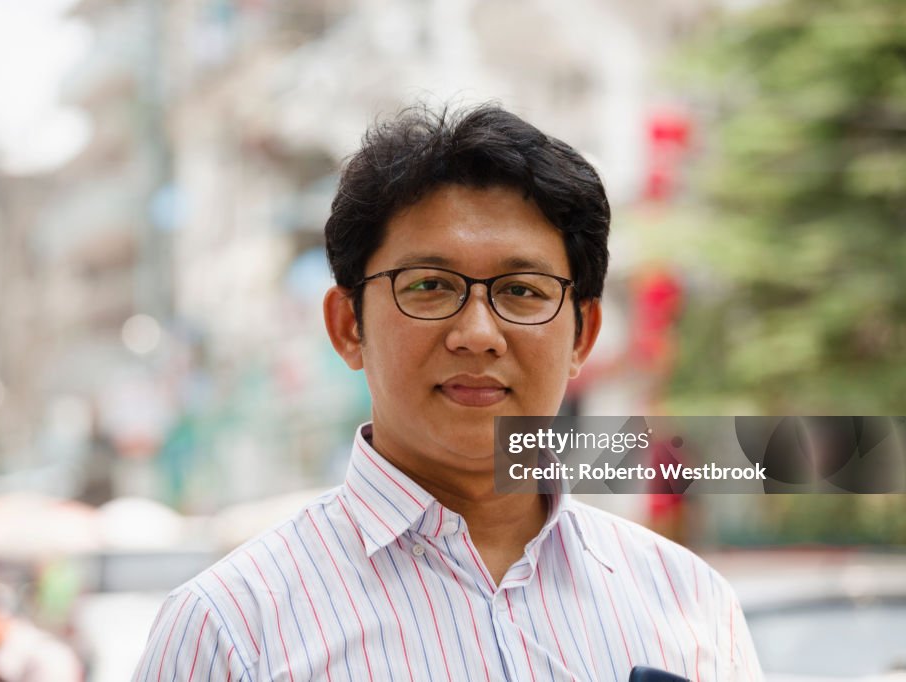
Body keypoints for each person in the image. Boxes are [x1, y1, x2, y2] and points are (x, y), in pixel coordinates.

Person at [135, 103, 764, 681]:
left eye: (523, 291)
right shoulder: (229, 631)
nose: (479, 334)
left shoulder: (688, 606)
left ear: (582, 334)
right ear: (348, 325)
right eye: (430, 285)